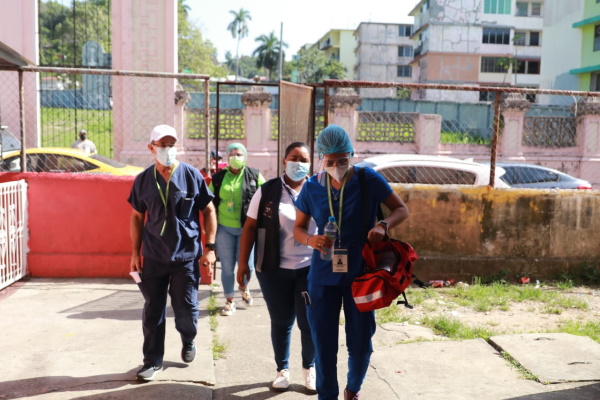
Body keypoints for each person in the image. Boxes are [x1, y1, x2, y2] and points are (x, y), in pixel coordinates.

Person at [293, 124, 409, 400]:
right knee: (324, 346)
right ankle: (327, 396)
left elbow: (401, 209)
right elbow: (298, 229)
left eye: (342, 160)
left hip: (361, 274)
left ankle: (353, 388)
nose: (337, 167)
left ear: (351, 154)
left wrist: (383, 224)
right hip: (323, 275)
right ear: (321, 158)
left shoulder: (368, 179)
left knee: (360, 343)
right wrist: (311, 240)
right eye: (330, 161)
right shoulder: (312, 187)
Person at [128, 124, 217, 381]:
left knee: (186, 308)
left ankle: (188, 338)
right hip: (154, 256)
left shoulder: (191, 175)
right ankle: (152, 361)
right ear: (151, 148)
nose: (167, 149)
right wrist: (135, 253)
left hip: (185, 256)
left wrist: (210, 248)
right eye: (162, 145)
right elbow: (137, 216)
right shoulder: (143, 180)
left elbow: (209, 210)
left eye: (171, 144)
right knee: (153, 310)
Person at [237, 142, 318, 393]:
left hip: (310, 269)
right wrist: (243, 263)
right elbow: (250, 227)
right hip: (274, 268)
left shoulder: (318, 189)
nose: (298, 163)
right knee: (281, 320)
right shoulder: (267, 191)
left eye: (304, 160)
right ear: (284, 161)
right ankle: (282, 370)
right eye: (294, 158)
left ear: (310, 164)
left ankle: (310, 368)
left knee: (309, 322)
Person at [209, 142, 266, 316]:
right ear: (227, 157)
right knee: (227, 267)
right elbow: (208, 202)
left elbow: (266, 195)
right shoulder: (219, 178)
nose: (235, 157)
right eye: (232, 154)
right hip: (224, 228)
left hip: (246, 228)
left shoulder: (254, 175)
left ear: (245, 157)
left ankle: (244, 287)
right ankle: (229, 300)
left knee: (247, 264)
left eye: (239, 154)